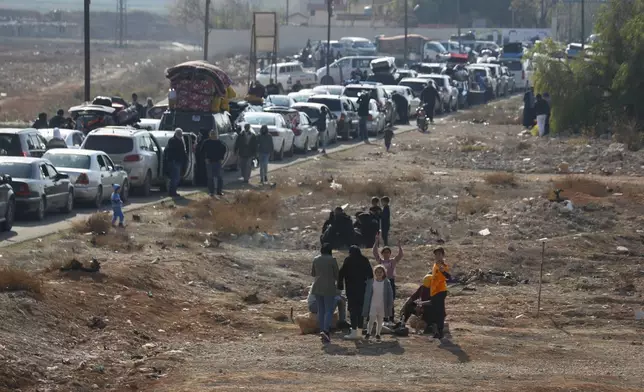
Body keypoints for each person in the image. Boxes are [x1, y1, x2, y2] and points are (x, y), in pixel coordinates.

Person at [337, 245, 374, 340]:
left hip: (351, 289)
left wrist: (340, 286)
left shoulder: (348, 260)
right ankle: (359, 332)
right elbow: (370, 274)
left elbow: (341, 273)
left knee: (353, 310)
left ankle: (353, 332)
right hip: (362, 289)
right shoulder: (364, 260)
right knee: (360, 310)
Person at [311, 243, 339, 343]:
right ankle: (326, 331)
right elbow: (337, 275)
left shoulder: (316, 259)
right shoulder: (332, 260)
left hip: (317, 287)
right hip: (329, 288)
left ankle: (321, 329)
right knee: (328, 310)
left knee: (321, 310)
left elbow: (313, 274)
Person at [373, 235, 403, 322]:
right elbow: (375, 252)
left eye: (388, 252)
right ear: (382, 254)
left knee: (391, 300)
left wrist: (399, 245)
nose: (386, 254)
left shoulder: (392, 261)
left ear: (390, 254)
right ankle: (384, 318)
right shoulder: (380, 261)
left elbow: (400, 255)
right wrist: (376, 242)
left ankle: (391, 317)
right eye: (384, 252)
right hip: (382, 282)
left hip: (391, 282)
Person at [362, 265, 394, 342]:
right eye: (377, 272)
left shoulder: (386, 282)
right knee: (371, 319)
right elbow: (367, 292)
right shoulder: (371, 281)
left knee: (380, 320)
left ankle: (378, 334)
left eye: (381, 272)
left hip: (382, 304)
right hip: (373, 303)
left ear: (384, 273)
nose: (379, 273)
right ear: (374, 273)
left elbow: (390, 293)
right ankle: (368, 333)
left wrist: (390, 302)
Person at [430, 247, 451, 339]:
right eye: (436, 254)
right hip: (434, 291)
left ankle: (440, 331)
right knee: (435, 311)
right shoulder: (435, 265)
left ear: (443, 255)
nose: (438, 256)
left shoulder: (444, 265)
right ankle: (436, 332)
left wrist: (443, 272)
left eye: (439, 254)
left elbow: (449, 277)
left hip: (441, 291)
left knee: (440, 311)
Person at [201, 129, 227, 196]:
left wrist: (221, 158)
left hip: (218, 162)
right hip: (209, 162)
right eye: (212, 134)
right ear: (209, 135)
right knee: (210, 178)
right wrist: (205, 158)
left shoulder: (219, 142)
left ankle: (219, 191)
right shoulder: (206, 142)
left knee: (220, 177)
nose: (213, 135)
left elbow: (224, 149)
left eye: (214, 134)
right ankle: (211, 192)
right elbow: (201, 151)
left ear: (216, 135)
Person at [165, 128, 188, 197]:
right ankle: (172, 192)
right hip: (174, 162)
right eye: (179, 133)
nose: (180, 134)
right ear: (176, 133)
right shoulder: (172, 140)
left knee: (176, 178)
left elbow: (182, 151)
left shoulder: (180, 140)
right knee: (175, 178)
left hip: (179, 162)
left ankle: (173, 191)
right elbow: (171, 152)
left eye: (181, 133)